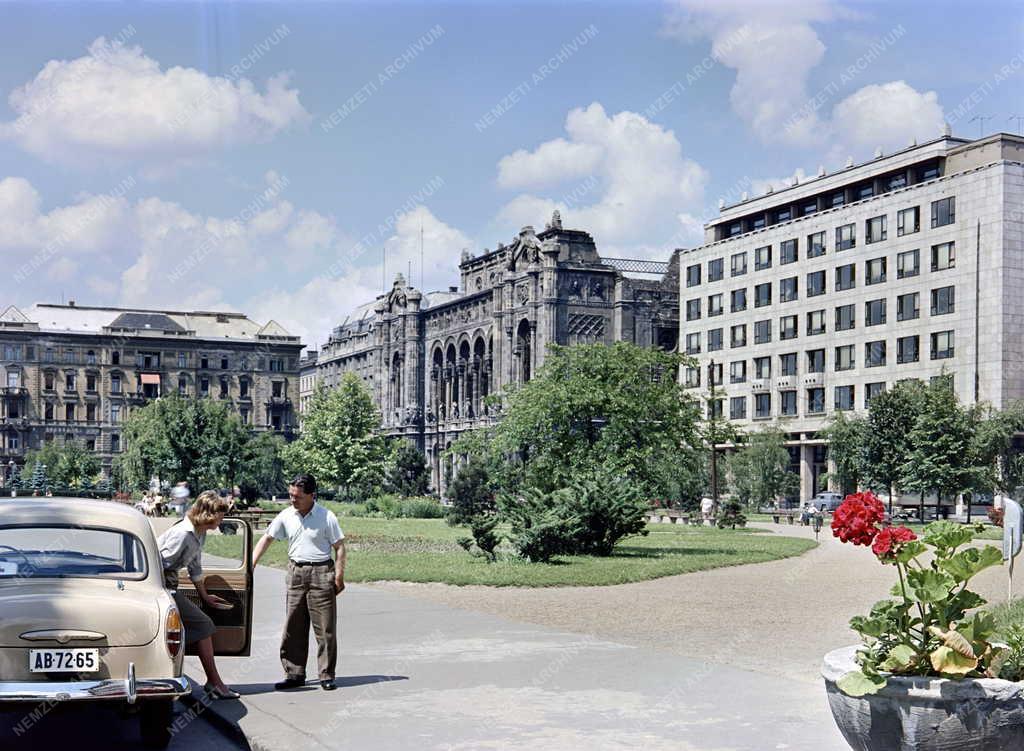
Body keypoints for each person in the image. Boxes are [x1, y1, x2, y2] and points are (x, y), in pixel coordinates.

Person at [253, 473, 346, 691]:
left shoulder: (327, 517)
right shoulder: (286, 515)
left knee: (325, 628)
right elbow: (267, 538)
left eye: (298, 496)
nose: (293, 500)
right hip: (296, 572)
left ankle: (326, 674)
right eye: (291, 495)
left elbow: (340, 547)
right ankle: (294, 674)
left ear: (312, 495)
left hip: (321, 572)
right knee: (293, 625)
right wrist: (251, 564)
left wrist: (339, 576)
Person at [157, 490, 239, 700]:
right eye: (220, 515)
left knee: (197, 626)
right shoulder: (183, 534)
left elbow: (195, 567)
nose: (222, 519)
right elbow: (158, 562)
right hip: (161, 588)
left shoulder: (198, 533)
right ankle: (215, 683)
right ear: (208, 514)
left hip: (169, 586)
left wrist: (205, 596)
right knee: (203, 625)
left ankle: (212, 682)